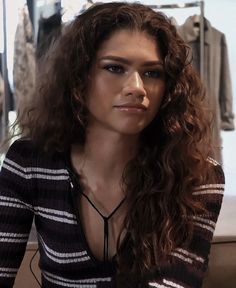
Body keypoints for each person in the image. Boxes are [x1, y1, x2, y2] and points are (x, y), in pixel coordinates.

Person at [0, 2, 224, 288]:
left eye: (152, 72)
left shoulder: (198, 177)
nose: (137, 87)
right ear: (79, 76)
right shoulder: (30, 163)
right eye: (115, 68)